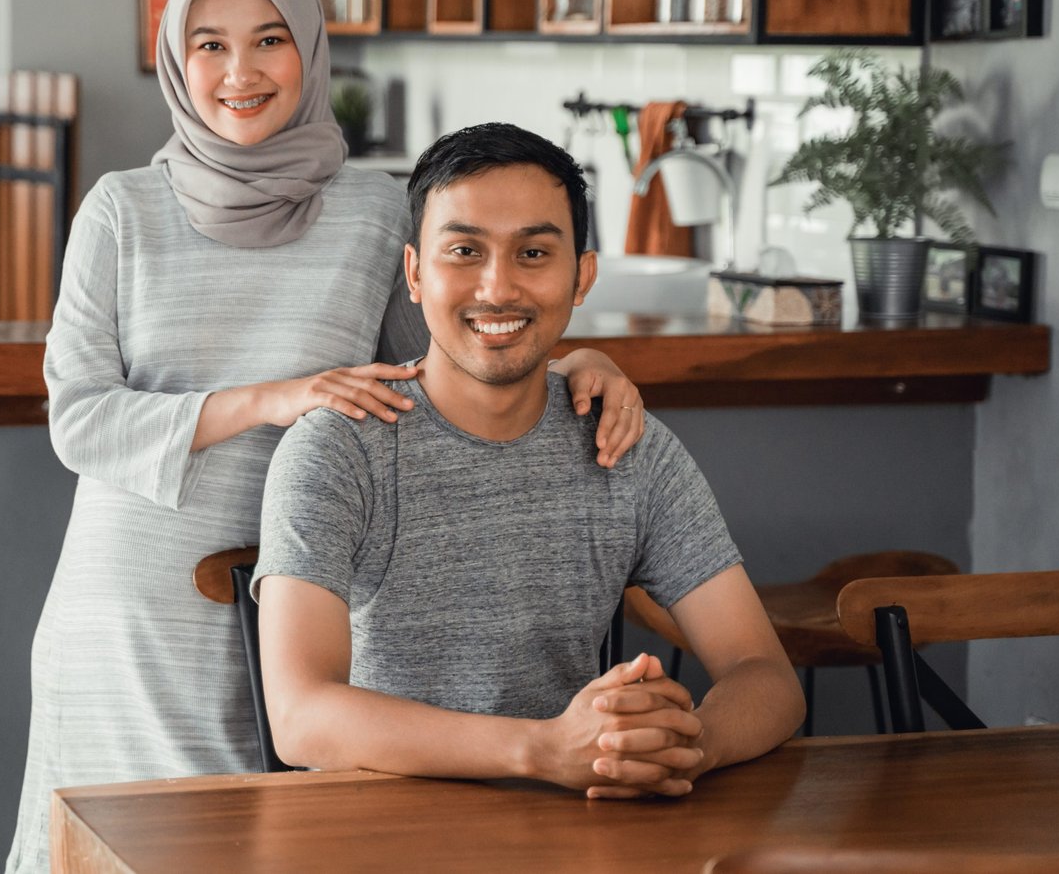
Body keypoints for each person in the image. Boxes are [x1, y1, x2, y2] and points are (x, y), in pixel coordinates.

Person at [4, 0, 648, 872]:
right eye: (209, 45)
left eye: (269, 39)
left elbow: (445, 364)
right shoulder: (119, 210)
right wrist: (274, 397)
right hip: (126, 615)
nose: (239, 71)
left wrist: (577, 357)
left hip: (299, 596)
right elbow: (80, 419)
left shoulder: (376, 211)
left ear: (310, 46)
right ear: (177, 61)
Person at [254, 122, 806, 799]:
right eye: (464, 249)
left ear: (584, 276)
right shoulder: (339, 448)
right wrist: (542, 748)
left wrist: (680, 746)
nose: (498, 287)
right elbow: (300, 716)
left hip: (578, 830)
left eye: (534, 252)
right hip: (378, 831)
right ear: (415, 273)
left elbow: (767, 676)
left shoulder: (625, 441)